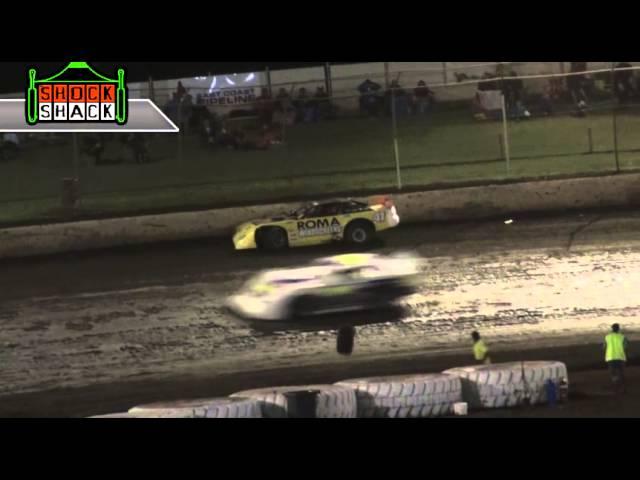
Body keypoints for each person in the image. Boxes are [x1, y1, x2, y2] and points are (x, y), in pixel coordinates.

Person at [604, 323, 629, 394]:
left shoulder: (607, 337)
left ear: (612, 329)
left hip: (610, 357)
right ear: (618, 329)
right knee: (621, 373)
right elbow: (626, 346)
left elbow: (604, 346)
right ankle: (624, 389)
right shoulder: (622, 337)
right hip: (620, 357)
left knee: (613, 374)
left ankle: (615, 389)